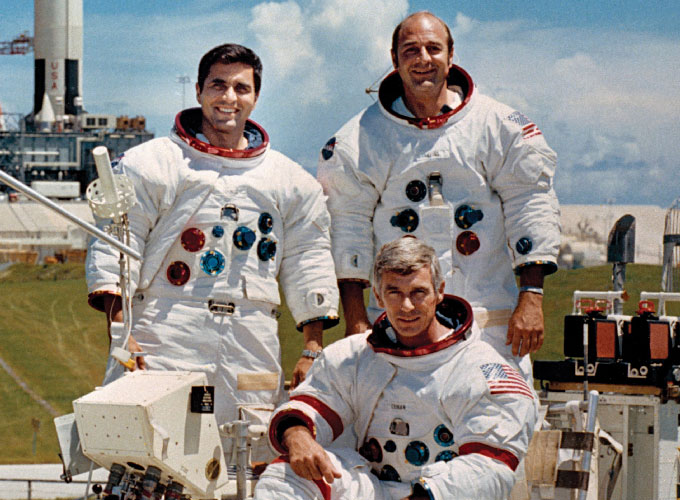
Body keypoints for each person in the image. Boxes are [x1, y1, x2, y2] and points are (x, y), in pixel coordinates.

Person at [85, 44, 339, 449]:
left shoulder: (289, 180)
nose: (229, 98)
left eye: (241, 88)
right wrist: (120, 330)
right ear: (200, 90)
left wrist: (311, 349)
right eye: (218, 85)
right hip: (167, 329)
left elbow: (309, 258)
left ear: (255, 97)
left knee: (248, 450)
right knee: (154, 449)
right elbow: (117, 244)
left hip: (251, 335)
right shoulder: (152, 163)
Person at [317, 11, 560, 377]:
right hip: (400, 326)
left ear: (451, 55)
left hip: (489, 322)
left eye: (433, 48)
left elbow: (531, 204)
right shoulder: (360, 139)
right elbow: (347, 229)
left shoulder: (498, 126)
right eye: (411, 50)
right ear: (394, 58)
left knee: (495, 425)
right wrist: (355, 321)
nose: (423, 59)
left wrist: (532, 297)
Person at [253, 237, 538, 500]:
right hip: (374, 488)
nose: (406, 306)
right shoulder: (355, 355)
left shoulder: (481, 368)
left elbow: (489, 468)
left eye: (418, 292)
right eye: (394, 292)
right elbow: (312, 404)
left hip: (439, 494)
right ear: (378, 296)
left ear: (439, 292)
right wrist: (298, 437)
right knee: (285, 476)